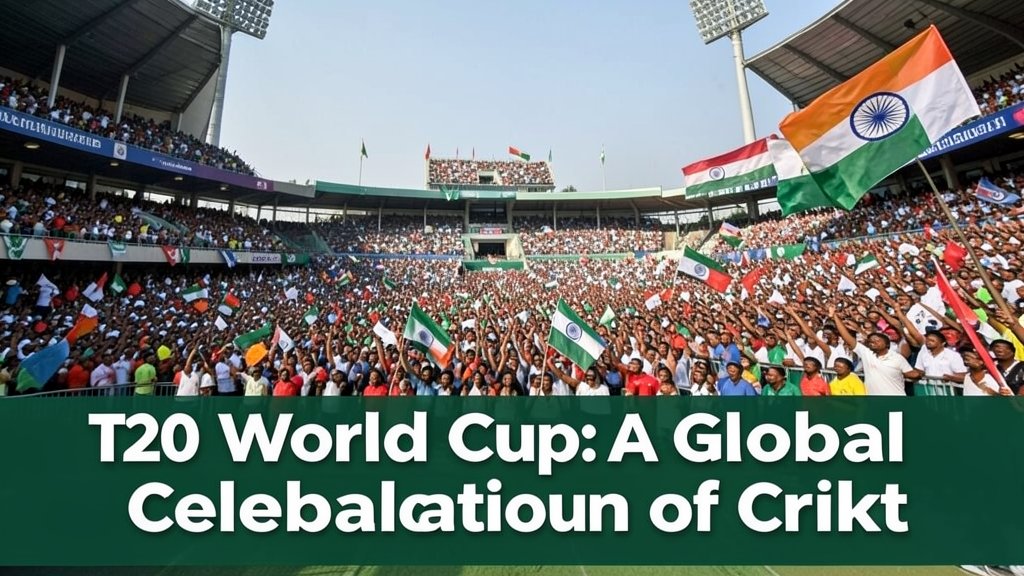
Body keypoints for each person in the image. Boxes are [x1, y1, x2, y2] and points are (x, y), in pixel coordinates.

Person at [829, 306, 922, 396]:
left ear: (887, 344)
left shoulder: (897, 358)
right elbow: (846, 336)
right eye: (871, 341)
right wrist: (835, 316)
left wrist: (919, 373)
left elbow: (913, 374)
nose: (873, 342)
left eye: (877, 340)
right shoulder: (867, 354)